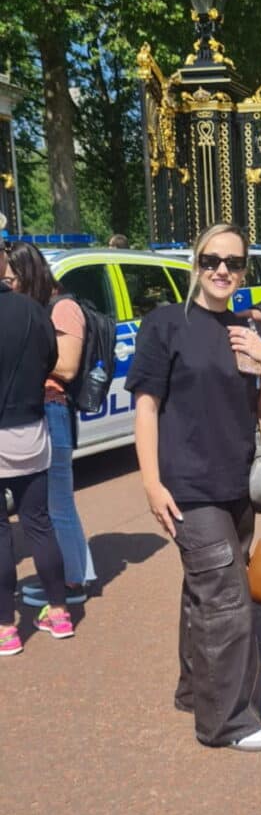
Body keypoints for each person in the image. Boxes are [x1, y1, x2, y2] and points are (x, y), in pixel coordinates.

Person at [126, 222, 261, 751]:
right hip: (189, 487)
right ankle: (228, 722)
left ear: (243, 271)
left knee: (205, 591)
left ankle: (195, 689)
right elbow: (145, 407)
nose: (222, 270)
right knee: (227, 600)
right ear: (196, 262)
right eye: (212, 259)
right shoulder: (166, 324)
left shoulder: (243, 328)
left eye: (233, 263)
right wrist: (151, 482)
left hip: (235, 483)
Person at [3, 243, 97, 606]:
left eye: (12, 278)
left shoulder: (64, 309)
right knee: (51, 505)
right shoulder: (36, 310)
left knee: (58, 504)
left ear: (28, 274)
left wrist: (28, 354)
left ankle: (73, 580)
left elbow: (68, 366)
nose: (8, 285)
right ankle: (71, 574)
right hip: (37, 410)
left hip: (54, 410)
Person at [0, 272, 74, 654]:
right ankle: (59, 612)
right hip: (30, 428)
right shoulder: (32, 309)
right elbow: (51, 358)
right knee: (39, 525)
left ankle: (5, 628)